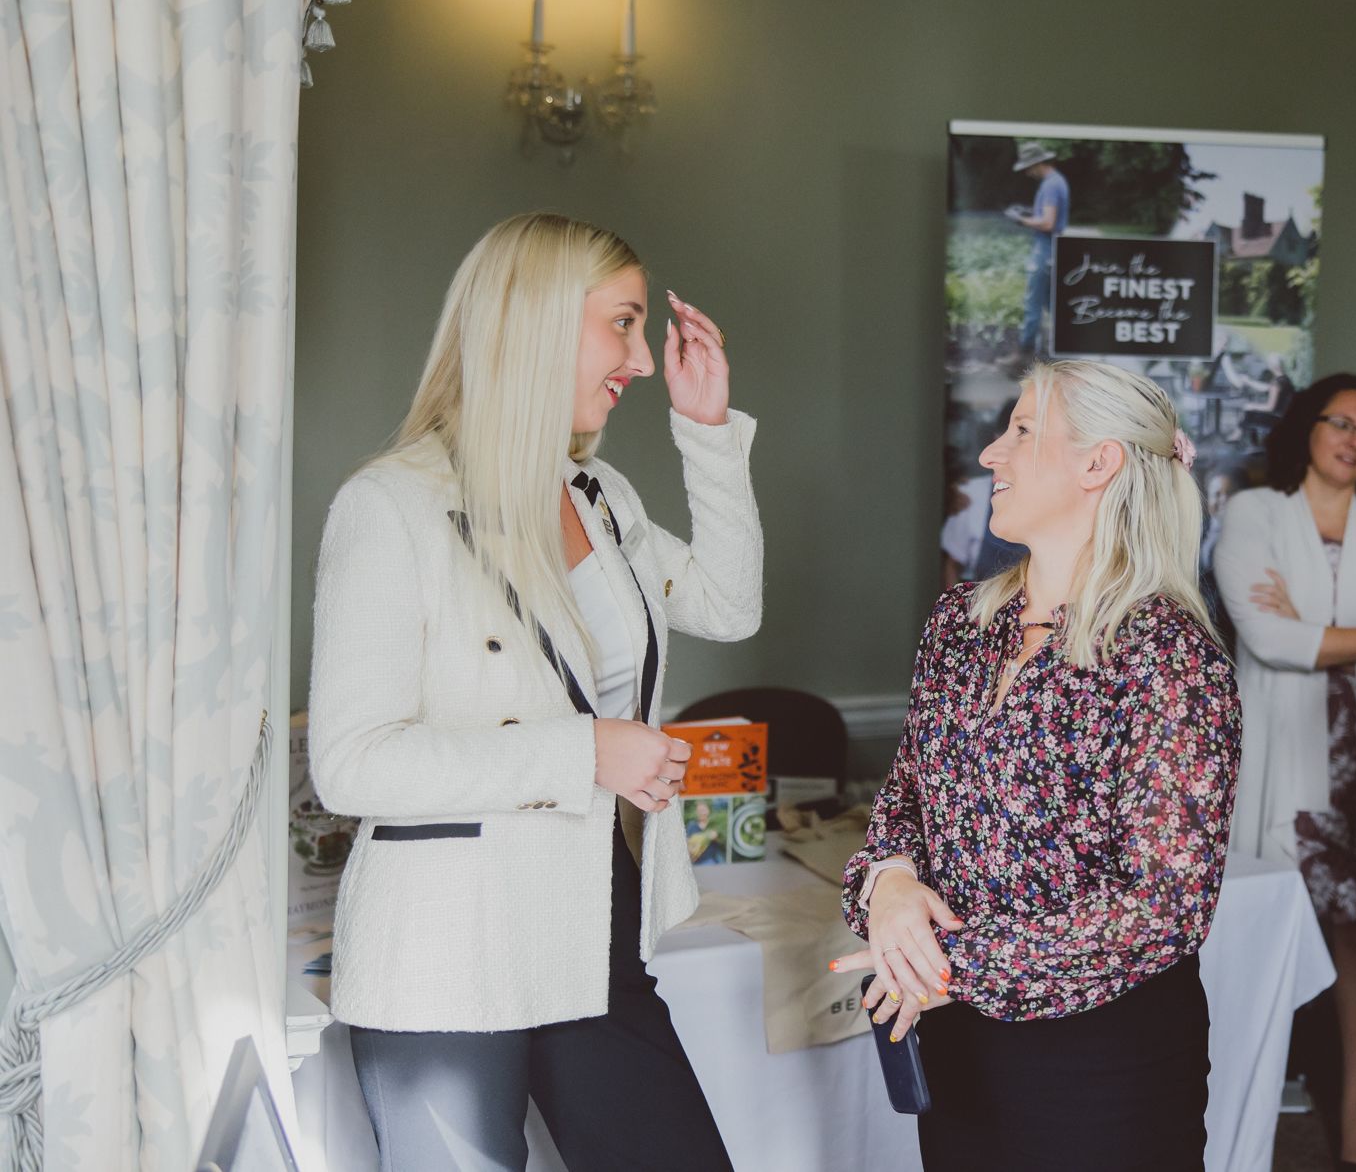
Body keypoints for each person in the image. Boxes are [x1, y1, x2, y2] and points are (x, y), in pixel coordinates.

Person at [308, 213, 761, 1171]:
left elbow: (728, 603)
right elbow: (352, 764)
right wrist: (585, 752)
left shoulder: (603, 498)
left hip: (592, 912)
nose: (640, 360)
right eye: (623, 325)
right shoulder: (390, 506)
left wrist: (709, 435)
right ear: (540, 324)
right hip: (446, 944)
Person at [833, 360, 1241, 1171]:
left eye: (1021, 430)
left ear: (1100, 463)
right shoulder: (960, 624)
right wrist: (890, 884)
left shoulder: (1168, 658)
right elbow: (906, 801)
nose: (991, 453)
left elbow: (1164, 905)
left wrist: (954, 961)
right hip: (955, 1053)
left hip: (1101, 1069)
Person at [1210, 373, 1356, 1169]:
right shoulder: (1254, 512)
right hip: (1285, 761)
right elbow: (1268, 641)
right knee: (1263, 934)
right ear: (1308, 427)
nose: (1353, 439)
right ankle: (1239, 1112)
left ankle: (1354, 1110)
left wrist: (1315, 628)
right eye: (1340, 422)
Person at [1005, 141, 1070, 358]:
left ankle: (1022, 354)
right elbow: (1047, 214)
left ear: (1037, 163)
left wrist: (1021, 220)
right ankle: (1060, 353)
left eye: (1028, 167)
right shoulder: (1057, 181)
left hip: (1045, 250)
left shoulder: (1050, 185)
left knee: (1032, 303)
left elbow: (1048, 223)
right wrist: (1030, 211)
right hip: (1054, 250)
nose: (1027, 172)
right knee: (1050, 305)